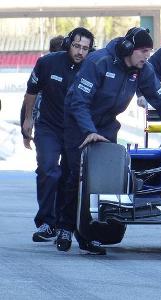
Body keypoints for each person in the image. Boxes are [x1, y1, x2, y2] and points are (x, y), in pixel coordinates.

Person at [57, 27, 161, 255]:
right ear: (128, 48)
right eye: (143, 51)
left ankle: (90, 236)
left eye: (150, 52)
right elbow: (78, 101)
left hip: (106, 124)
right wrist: (88, 130)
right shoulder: (99, 62)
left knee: (101, 181)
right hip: (78, 122)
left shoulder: (143, 70)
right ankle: (66, 227)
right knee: (75, 176)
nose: (147, 57)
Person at [21, 28, 94, 243]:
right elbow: (31, 92)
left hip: (75, 129)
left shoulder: (93, 68)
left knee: (71, 176)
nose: (80, 52)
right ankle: (46, 222)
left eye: (85, 48)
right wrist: (27, 119)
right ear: (68, 44)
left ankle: (65, 224)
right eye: (77, 46)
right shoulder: (47, 63)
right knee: (48, 169)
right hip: (48, 127)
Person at [20, 35, 65, 149]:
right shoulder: (45, 66)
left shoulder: (43, 65)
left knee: (47, 163)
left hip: (47, 128)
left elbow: (28, 100)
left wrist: (25, 133)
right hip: (56, 127)